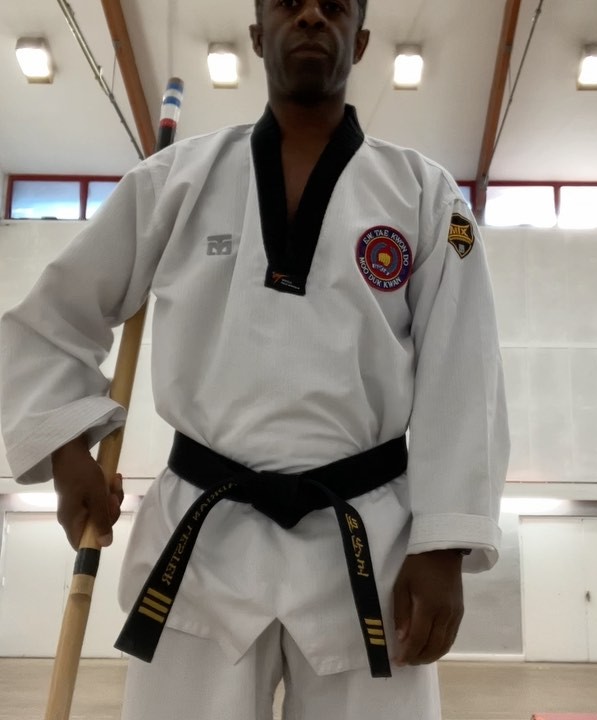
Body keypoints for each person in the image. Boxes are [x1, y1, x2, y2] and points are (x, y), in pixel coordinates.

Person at [0, 0, 510, 717]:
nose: (311, 17)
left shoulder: (426, 196)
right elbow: (55, 313)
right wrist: (65, 452)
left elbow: (465, 369)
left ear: (362, 40)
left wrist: (445, 542)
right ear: (256, 35)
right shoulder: (175, 180)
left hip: (368, 545)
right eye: (288, 4)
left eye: (333, 7)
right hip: (202, 543)